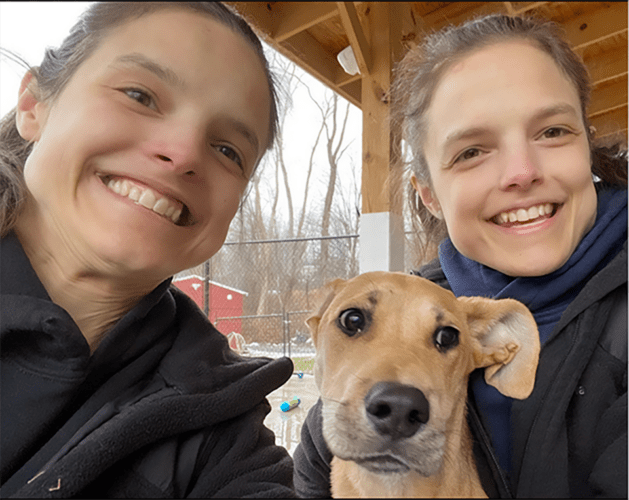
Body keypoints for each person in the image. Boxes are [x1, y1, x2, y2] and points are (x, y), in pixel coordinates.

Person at [293, 14, 627, 498]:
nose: (521, 172)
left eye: (552, 131)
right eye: (471, 151)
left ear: (586, 146)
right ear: (428, 194)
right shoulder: (411, 303)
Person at [0, 2, 296, 497]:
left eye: (227, 150)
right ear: (34, 104)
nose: (182, 153)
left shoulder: (226, 433)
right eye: (140, 95)